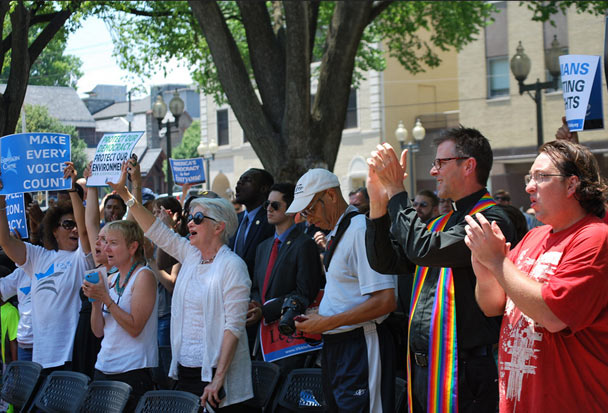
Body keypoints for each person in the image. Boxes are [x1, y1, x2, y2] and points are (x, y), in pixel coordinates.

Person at [365, 127, 516, 413]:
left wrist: (397, 190)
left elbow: (423, 249)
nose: (433, 171)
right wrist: (377, 203)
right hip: (425, 367)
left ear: (468, 165)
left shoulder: (491, 220)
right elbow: (384, 262)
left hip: (466, 371)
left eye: (440, 163)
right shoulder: (441, 223)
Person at [464, 140, 608, 412]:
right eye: (529, 177)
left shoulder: (595, 237)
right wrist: (485, 271)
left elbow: (554, 316)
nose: (529, 186)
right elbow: (493, 306)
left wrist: (497, 262)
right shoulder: (534, 236)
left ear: (572, 185)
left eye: (541, 177)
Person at [108, 162, 253, 411]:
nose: (190, 223)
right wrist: (125, 194)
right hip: (186, 371)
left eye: (198, 218)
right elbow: (155, 230)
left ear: (219, 227)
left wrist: (218, 380)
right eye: (190, 217)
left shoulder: (232, 266)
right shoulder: (191, 254)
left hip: (217, 378)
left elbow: (233, 327)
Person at [289, 168, 397, 413]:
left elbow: (386, 301)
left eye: (310, 209)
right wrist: (321, 315)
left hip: (360, 343)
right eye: (303, 213)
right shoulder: (342, 230)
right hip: (342, 345)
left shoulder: (359, 230)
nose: (308, 219)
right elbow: (349, 291)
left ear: (330, 195)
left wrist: (325, 322)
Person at [0, 163, 93, 375]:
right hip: (40, 359)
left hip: (70, 359)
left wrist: (72, 190)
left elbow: (86, 231)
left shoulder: (82, 259)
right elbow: (5, 241)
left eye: (76, 225)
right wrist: (1, 201)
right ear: (54, 230)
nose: (75, 230)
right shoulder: (38, 257)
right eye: (68, 225)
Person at [248, 183, 323, 375]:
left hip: (290, 340)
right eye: (267, 204)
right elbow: (257, 287)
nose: (269, 209)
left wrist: (265, 311)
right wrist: (254, 305)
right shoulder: (263, 247)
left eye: (275, 205)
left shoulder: (304, 244)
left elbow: (305, 292)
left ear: (291, 210)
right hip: (262, 338)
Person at [83, 220, 157, 412]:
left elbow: (135, 328)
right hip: (103, 367)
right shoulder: (110, 278)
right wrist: (95, 303)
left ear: (132, 247)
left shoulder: (144, 276)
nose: (106, 248)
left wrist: (106, 299)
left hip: (132, 371)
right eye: (106, 242)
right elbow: (98, 332)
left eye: (113, 243)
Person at [0, 267, 32, 361]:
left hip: (6, 362)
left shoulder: (11, 311)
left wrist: (15, 366)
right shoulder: (20, 272)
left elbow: (13, 341)